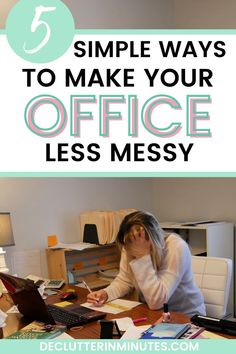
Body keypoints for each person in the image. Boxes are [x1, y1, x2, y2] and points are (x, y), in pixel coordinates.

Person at [87, 210, 206, 316]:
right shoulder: (131, 243)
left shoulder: (176, 247)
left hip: (186, 315)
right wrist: (106, 293)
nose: (132, 255)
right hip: (155, 313)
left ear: (152, 240)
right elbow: (125, 280)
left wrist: (142, 256)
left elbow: (157, 301)